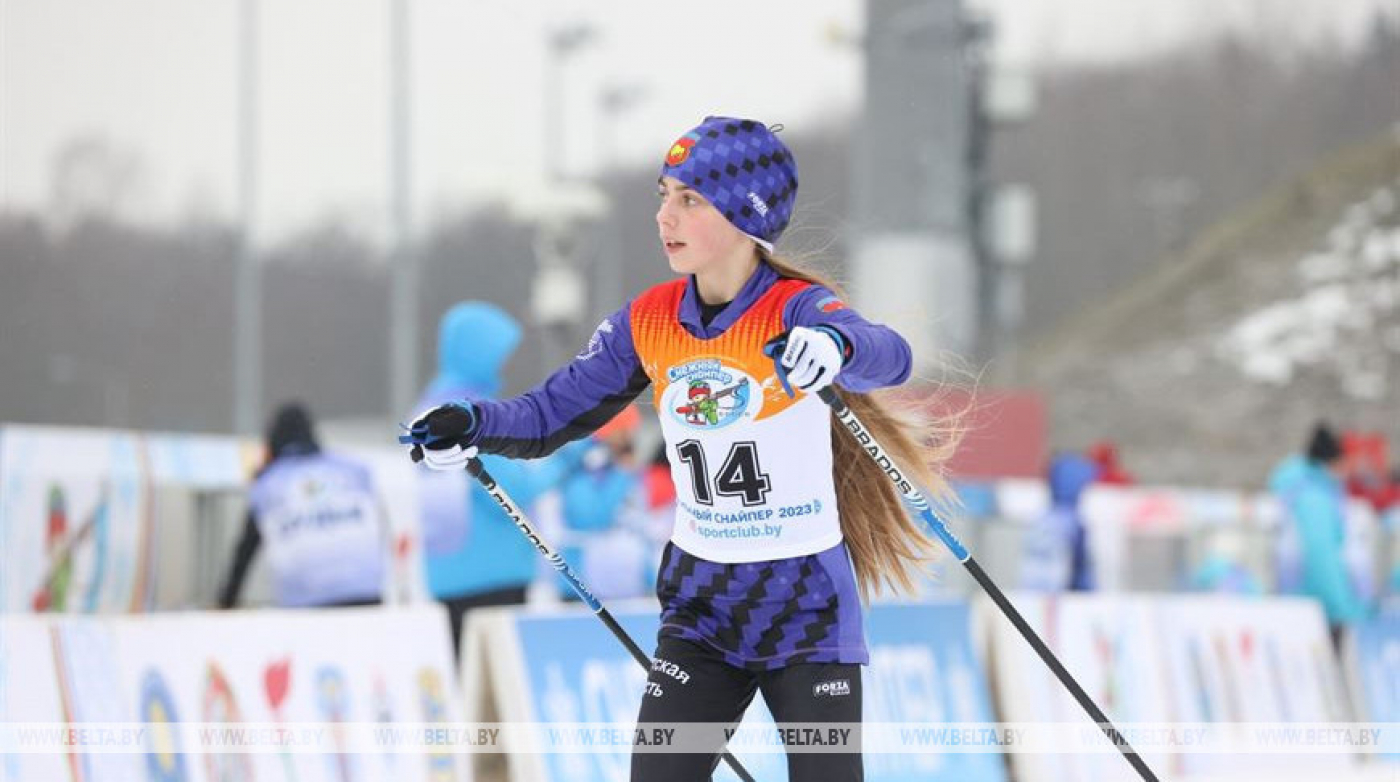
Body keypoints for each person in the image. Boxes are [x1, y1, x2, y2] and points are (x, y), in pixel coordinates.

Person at [403, 116, 959, 782]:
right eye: (664, 195)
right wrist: (470, 420)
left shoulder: (795, 309)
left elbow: (888, 356)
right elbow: (549, 414)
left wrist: (835, 347)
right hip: (702, 611)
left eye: (689, 199)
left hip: (804, 609)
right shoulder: (650, 320)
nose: (665, 215)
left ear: (743, 214)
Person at [414, 301, 583, 656]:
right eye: (498, 353)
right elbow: (513, 488)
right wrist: (569, 456)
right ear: (478, 353)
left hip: (448, 572)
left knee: (472, 689)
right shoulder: (468, 414)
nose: (504, 363)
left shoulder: (432, 406)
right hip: (493, 573)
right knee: (497, 696)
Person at [220, 402, 388, 609]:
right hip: (365, 593)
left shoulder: (268, 484)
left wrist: (225, 604)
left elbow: (244, 553)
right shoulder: (354, 470)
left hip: (306, 600)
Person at [1268, 422, 1368, 643]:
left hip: (1303, 604)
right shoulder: (1315, 500)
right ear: (1333, 462)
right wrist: (1339, 607)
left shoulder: (1307, 492)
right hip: (1317, 609)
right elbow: (1320, 555)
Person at [1020, 452, 1098, 592]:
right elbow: (1081, 571)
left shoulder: (1039, 518)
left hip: (1031, 592)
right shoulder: (1072, 523)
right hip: (1052, 595)